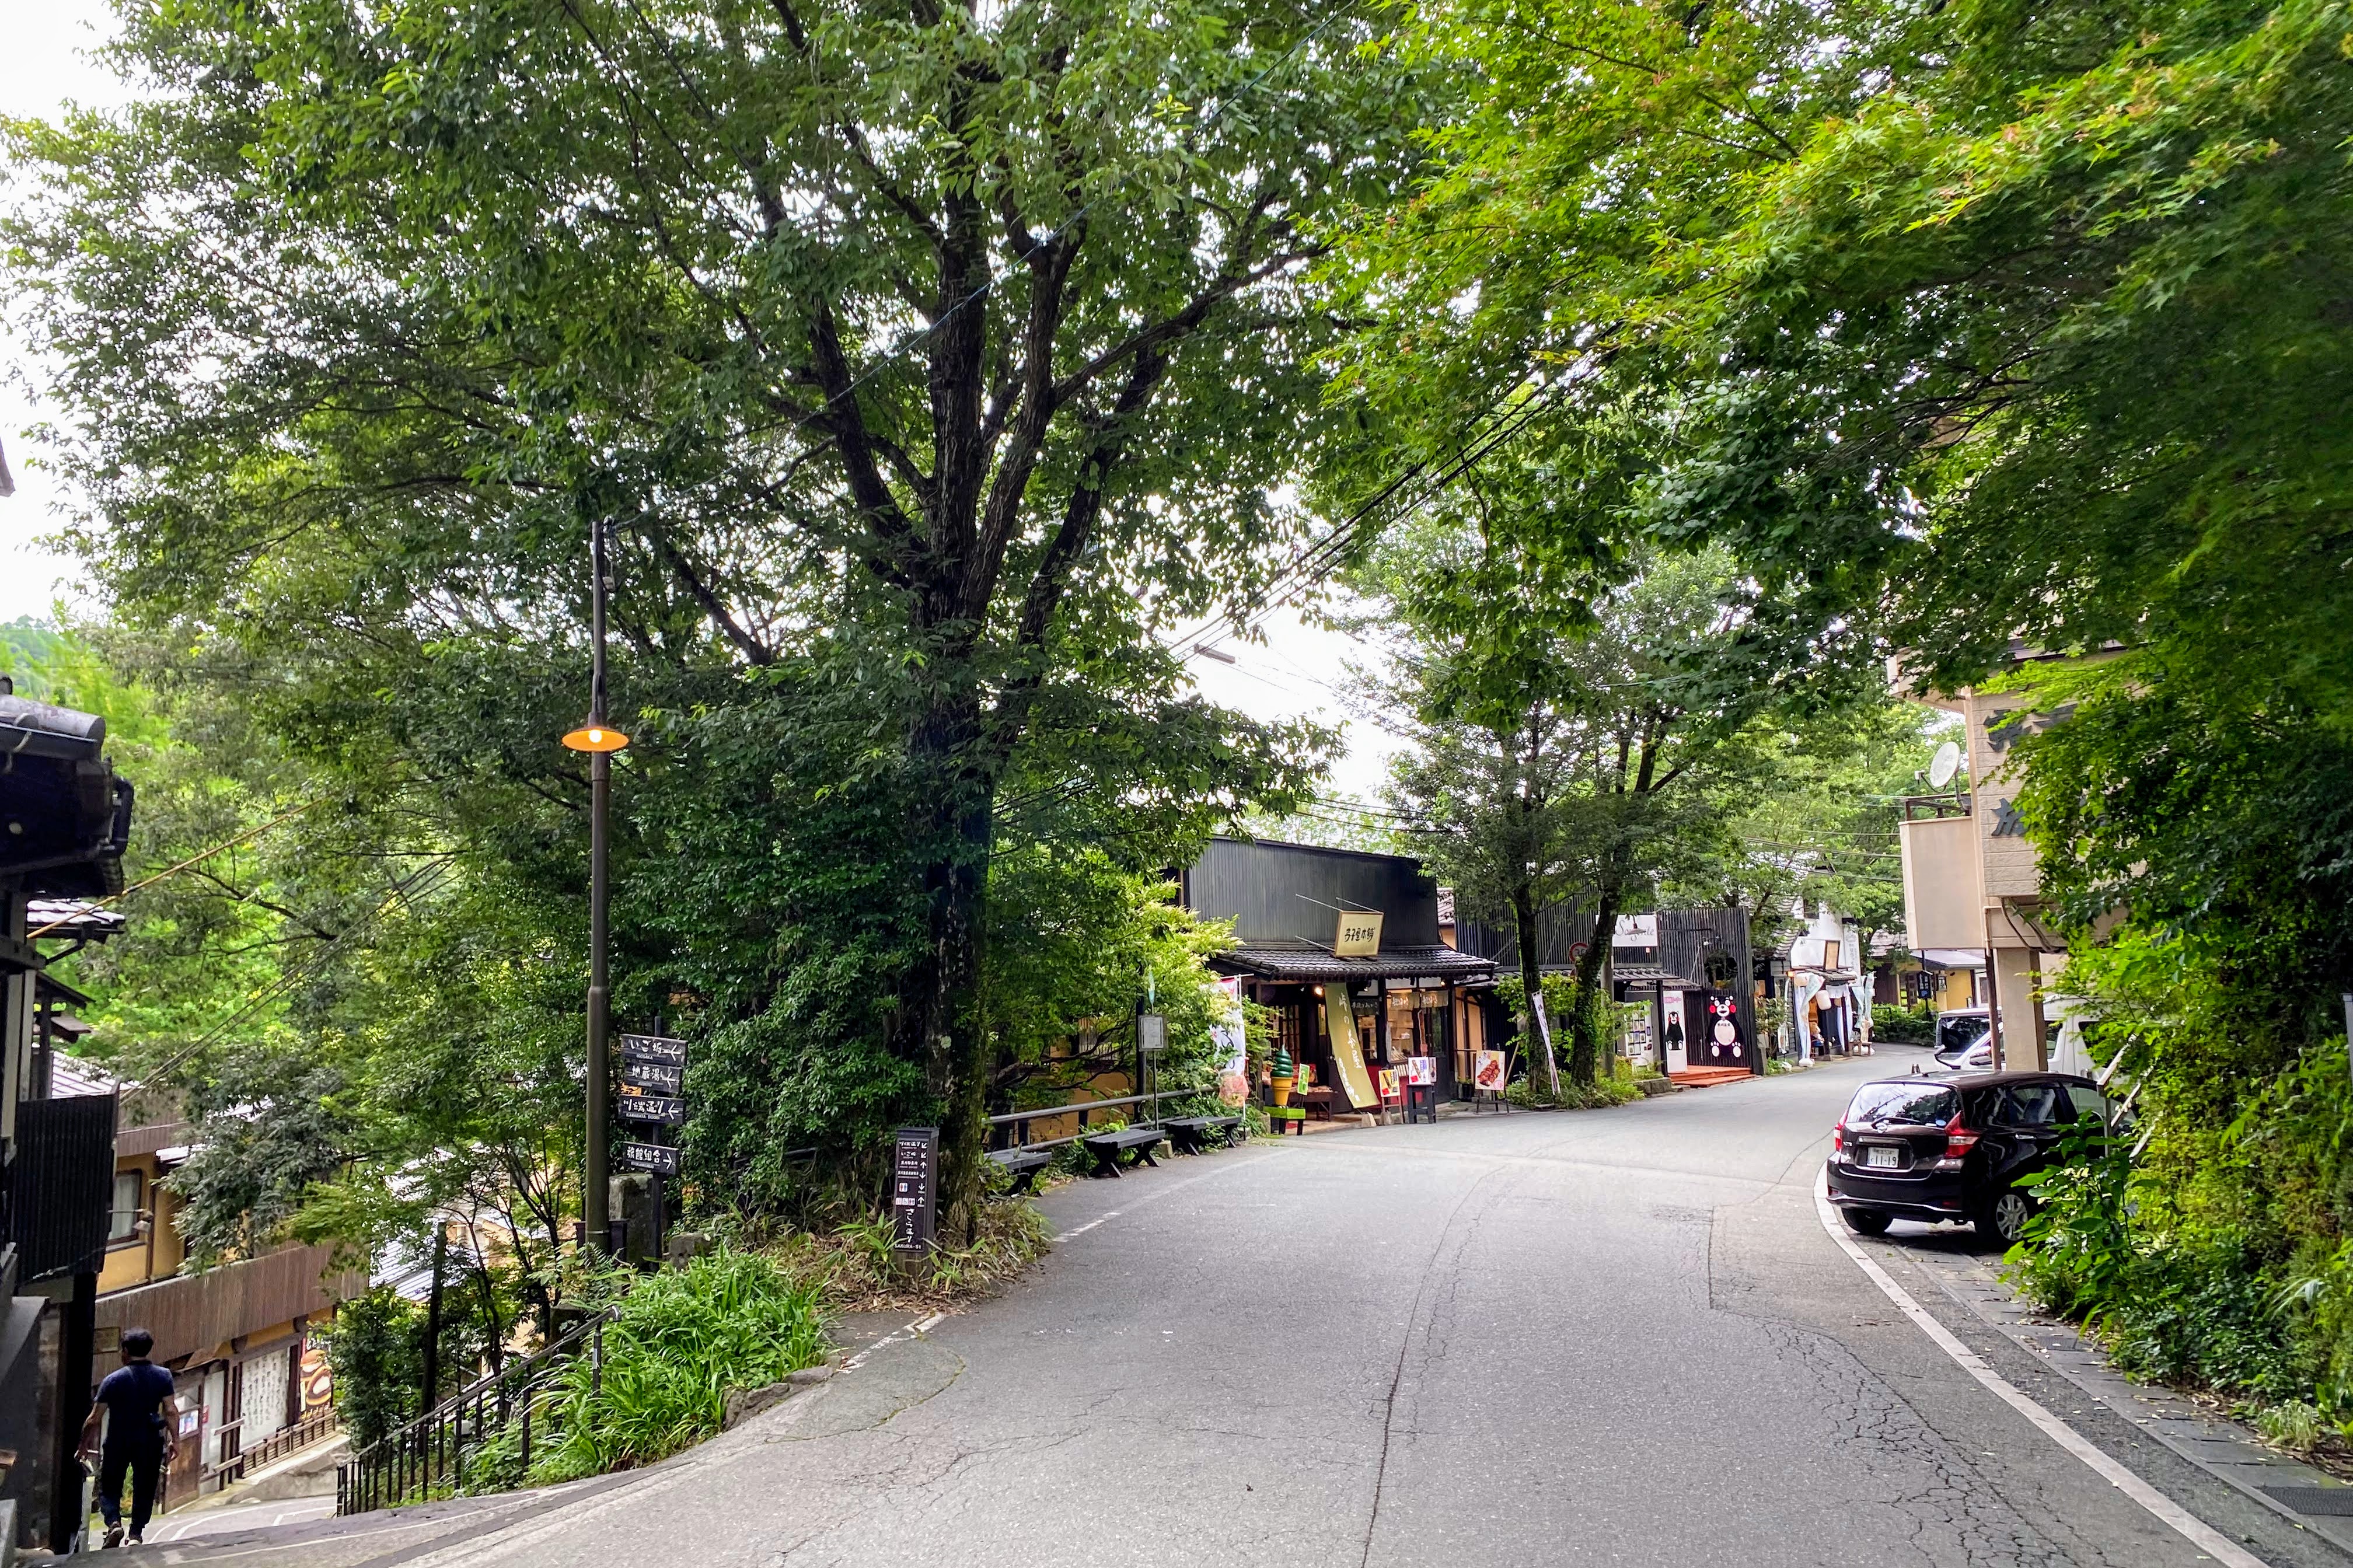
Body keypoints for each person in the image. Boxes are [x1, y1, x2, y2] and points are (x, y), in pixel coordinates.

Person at [76, 1327, 179, 1548]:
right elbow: (171, 1410)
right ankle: (135, 1534)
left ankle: (114, 1523)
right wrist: (175, 1440)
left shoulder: (113, 1380)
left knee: (111, 1486)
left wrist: (83, 1445)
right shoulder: (163, 1376)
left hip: (118, 1441)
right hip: (150, 1442)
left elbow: (94, 1418)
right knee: (146, 1486)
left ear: (125, 1351)